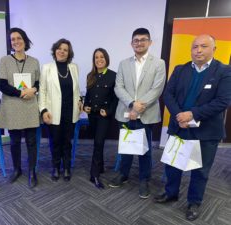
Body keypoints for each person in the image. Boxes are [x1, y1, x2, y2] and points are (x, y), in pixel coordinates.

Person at [154, 34, 231, 221]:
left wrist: (193, 114)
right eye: (195, 46)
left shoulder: (224, 71)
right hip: (179, 126)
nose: (198, 50)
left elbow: (223, 101)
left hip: (205, 131)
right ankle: (171, 192)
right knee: (173, 164)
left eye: (203, 46)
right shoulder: (180, 70)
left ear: (214, 49)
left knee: (200, 170)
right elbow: (168, 94)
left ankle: (194, 202)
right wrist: (179, 115)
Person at [109, 28, 166, 199]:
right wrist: (132, 104)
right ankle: (123, 174)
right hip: (126, 113)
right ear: (131, 43)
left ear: (150, 42)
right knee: (126, 147)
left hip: (146, 114)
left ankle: (144, 179)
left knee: (145, 150)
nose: (139, 43)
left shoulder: (159, 63)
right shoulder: (123, 63)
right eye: (136, 40)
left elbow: (157, 88)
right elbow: (118, 87)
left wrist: (139, 107)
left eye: (143, 39)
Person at [0, 28, 40, 188]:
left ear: (25, 40)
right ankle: (17, 169)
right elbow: (1, 84)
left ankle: (32, 171)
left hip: (30, 106)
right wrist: (21, 93)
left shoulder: (34, 61)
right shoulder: (4, 60)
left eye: (19, 38)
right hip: (12, 106)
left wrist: (33, 90)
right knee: (14, 141)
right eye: (13, 39)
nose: (16, 41)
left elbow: (38, 83)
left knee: (31, 141)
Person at [38, 38, 81, 182]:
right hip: (52, 112)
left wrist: (80, 101)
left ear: (69, 53)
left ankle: (67, 167)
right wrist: (43, 110)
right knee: (55, 141)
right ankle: (56, 167)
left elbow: (76, 90)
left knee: (67, 142)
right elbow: (42, 91)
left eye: (65, 50)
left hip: (70, 112)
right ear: (55, 50)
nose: (62, 51)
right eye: (59, 48)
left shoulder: (74, 67)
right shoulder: (47, 68)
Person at [83, 48, 117, 189]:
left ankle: (94, 174)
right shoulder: (90, 75)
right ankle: (101, 166)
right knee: (97, 142)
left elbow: (116, 99)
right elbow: (88, 96)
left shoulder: (113, 76)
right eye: (96, 57)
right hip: (93, 116)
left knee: (98, 142)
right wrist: (86, 106)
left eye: (102, 57)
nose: (99, 59)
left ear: (106, 59)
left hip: (104, 116)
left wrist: (108, 111)